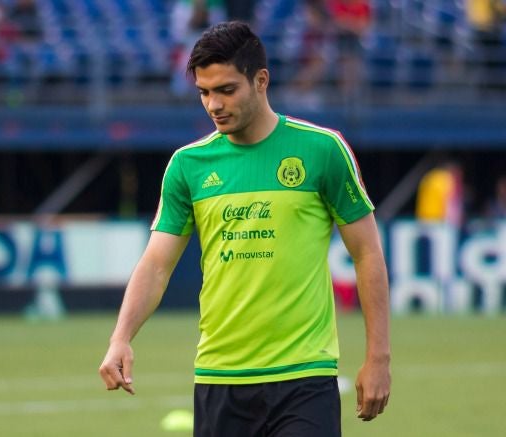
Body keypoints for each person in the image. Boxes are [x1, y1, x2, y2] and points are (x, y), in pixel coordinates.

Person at [99, 22, 390, 435]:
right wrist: (121, 337)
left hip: (304, 376)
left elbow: (367, 253)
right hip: (220, 377)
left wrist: (378, 358)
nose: (214, 104)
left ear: (261, 81)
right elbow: (157, 264)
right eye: (204, 92)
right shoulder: (187, 166)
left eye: (226, 90)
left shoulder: (323, 150)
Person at [415, 161, 464, 227]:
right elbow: (450, 200)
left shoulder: (428, 177)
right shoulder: (446, 179)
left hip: (423, 218)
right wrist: (454, 220)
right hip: (439, 220)